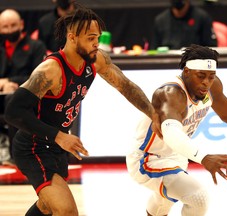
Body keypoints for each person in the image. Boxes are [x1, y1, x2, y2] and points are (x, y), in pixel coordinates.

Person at [4, 3, 161, 216]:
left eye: (97, 37)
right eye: (90, 38)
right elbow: (14, 111)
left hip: (57, 146)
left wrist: (153, 113)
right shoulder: (51, 69)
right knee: (67, 211)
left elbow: (125, 85)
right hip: (33, 146)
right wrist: (59, 136)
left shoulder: (97, 60)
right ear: (72, 37)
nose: (96, 44)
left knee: (47, 207)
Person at [126, 44, 227, 216]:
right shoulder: (170, 93)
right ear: (187, 72)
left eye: (211, 77)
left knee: (164, 200)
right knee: (198, 197)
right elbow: (171, 134)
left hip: (177, 155)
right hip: (148, 158)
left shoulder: (211, 87)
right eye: (201, 76)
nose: (206, 82)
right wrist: (203, 157)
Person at [0, 9, 47, 165]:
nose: (10, 30)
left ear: (21, 24)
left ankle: (15, 155)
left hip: (26, 94)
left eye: (13, 25)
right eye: (5, 27)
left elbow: (39, 77)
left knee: (12, 99)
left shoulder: (36, 47)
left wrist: (12, 82)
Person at [150, 0, 217, 50]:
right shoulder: (160, 20)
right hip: (168, 64)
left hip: (194, 64)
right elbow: (154, 50)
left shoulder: (202, 18)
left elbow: (211, 48)